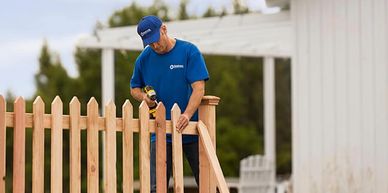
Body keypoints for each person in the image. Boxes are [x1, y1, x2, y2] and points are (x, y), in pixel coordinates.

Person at [130, 15, 209, 192]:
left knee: (207, 182)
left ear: (164, 29)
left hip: (191, 129)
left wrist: (187, 114)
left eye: (155, 40)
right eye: (149, 43)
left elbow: (199, 89)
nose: (154, 46)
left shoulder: (189, 51)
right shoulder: (143, 59)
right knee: (157, 187)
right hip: (159, 132)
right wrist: (144, 97)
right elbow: (134, 88)